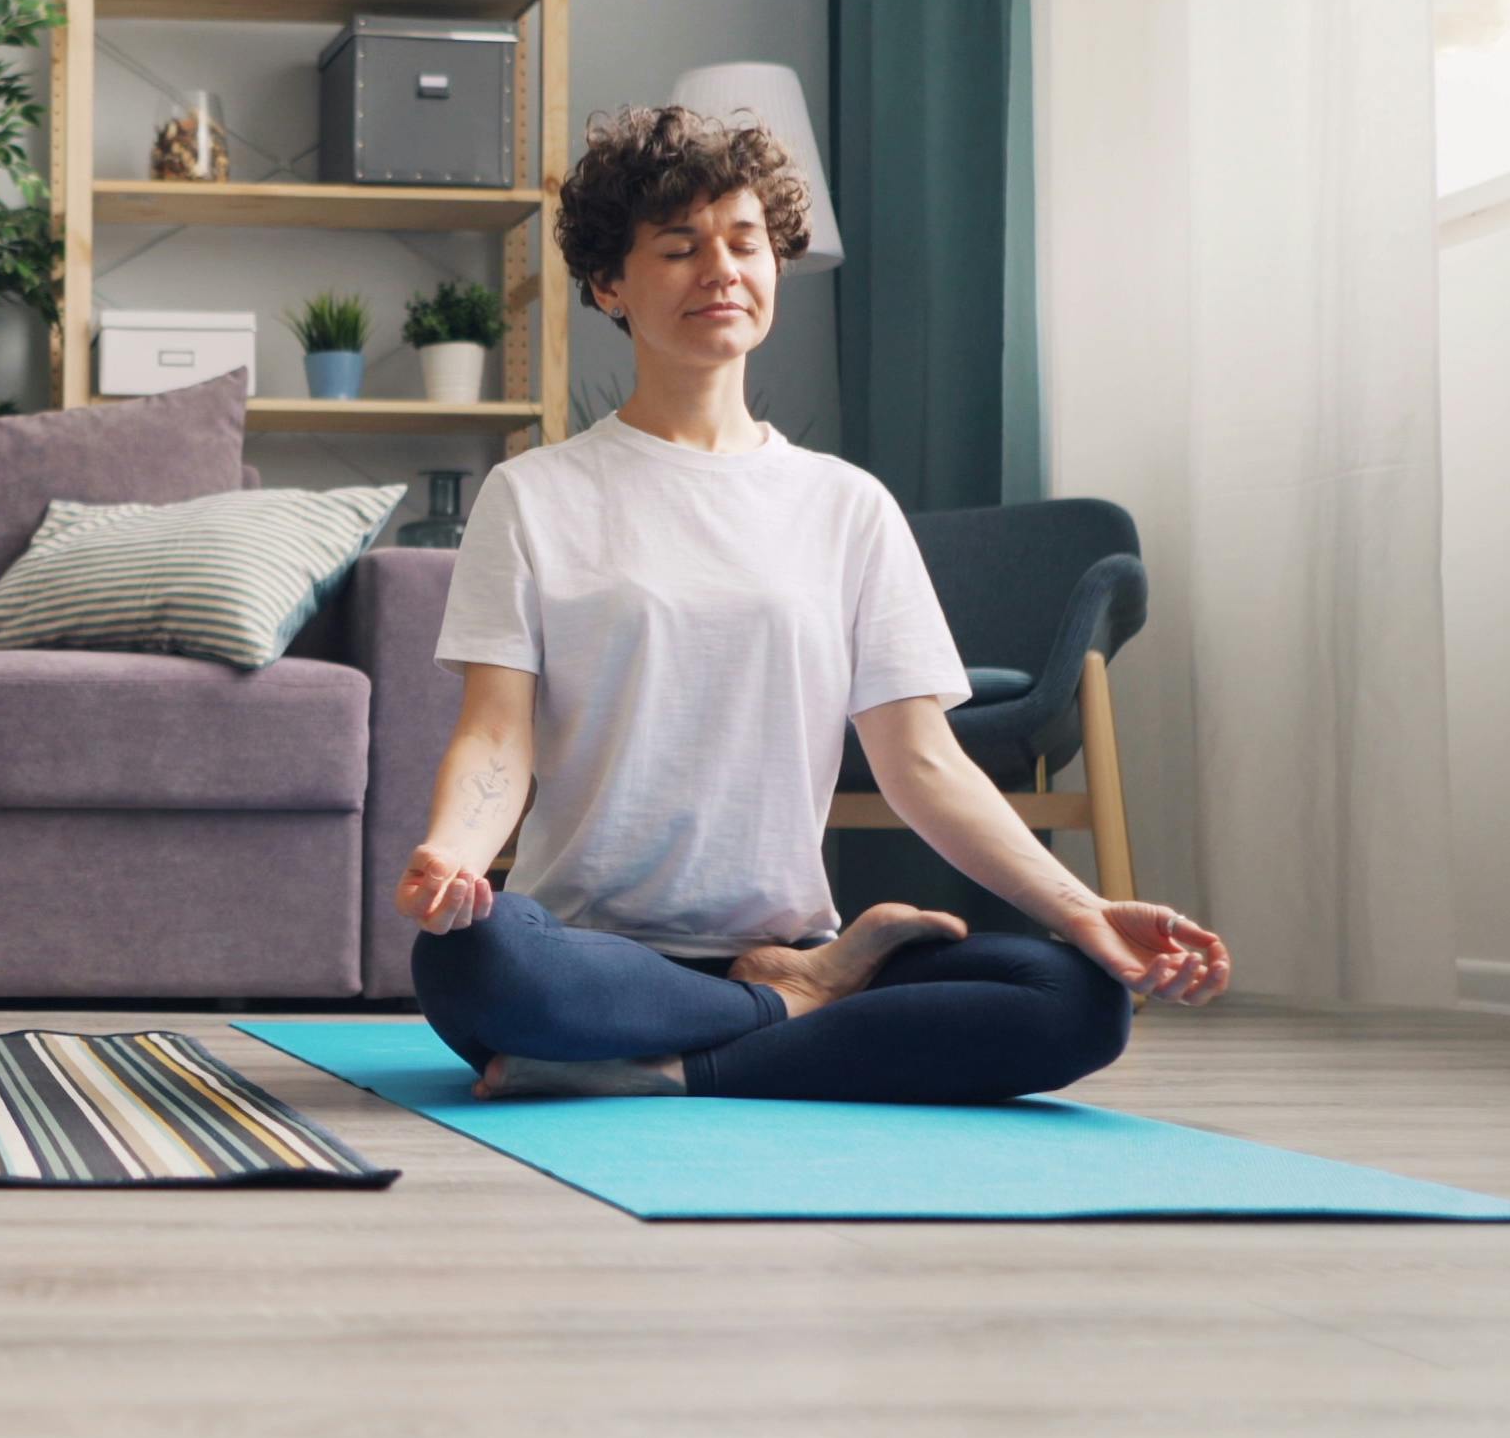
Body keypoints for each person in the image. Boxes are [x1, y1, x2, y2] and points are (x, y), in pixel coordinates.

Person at [396, 105, 1232, 1102]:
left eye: (745, 243)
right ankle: (794, 1010)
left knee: (1072, 997)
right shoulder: (535, 494)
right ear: (609, 285)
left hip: (779, 939)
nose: (721, 269)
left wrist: (1082, 908)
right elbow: (496, 737)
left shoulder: (845, 506)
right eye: (679, 247)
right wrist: (452, 857)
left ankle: (678, 1058)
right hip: (587, 951)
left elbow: (922, 762)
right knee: (469, 961)